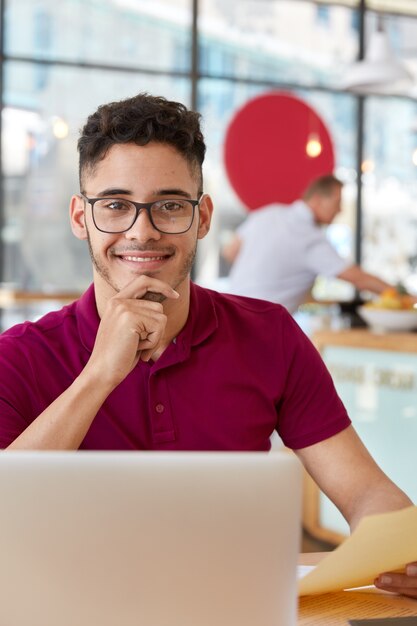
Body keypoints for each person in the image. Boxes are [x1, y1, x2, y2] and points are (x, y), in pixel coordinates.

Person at [0, 93, 415, 598]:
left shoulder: (271, 334)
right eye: (115, 205)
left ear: (202, 218)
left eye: (170, 205)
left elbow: (367, 491)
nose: (143, 231)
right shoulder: (18, 356)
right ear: (80, 217)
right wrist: (99, 375)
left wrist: (404, 546)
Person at [224, 175, 396, 313]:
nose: (340, 209)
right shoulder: (310, 238)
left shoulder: (269, 213)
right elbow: (360, 279)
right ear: (317, 199)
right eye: (337, 202)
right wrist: (402, 296)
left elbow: (230, 251)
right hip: (260, 327)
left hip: (229, 313)